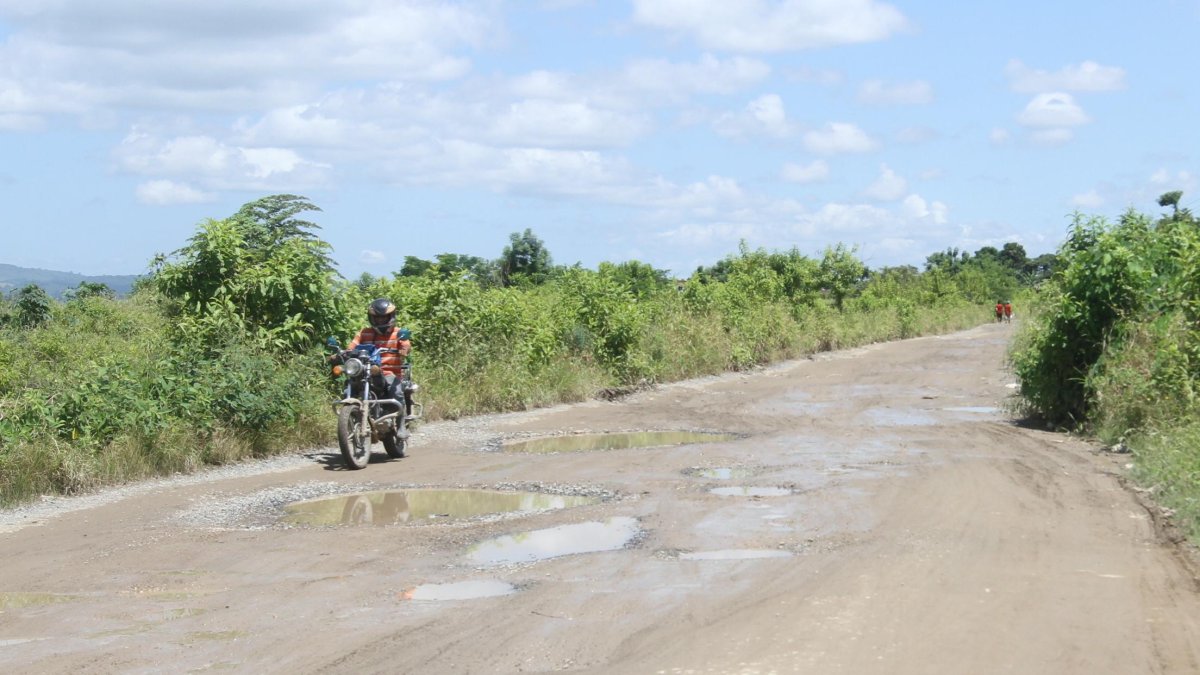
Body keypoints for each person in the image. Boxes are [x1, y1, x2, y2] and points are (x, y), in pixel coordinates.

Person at [340, 298, 415, 418]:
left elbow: (405, 344)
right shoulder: (364, 332)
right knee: (348, 390)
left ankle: (401, 424)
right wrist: (343, 353)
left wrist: (404, 350)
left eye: (384, 317)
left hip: (389, 372)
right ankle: (352, 419)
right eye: (377, 318)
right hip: (364, 371)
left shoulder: (398, 333)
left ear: (390, 317)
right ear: (372, 318)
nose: (380, 320)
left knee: (396, 392)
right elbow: (352, 346)